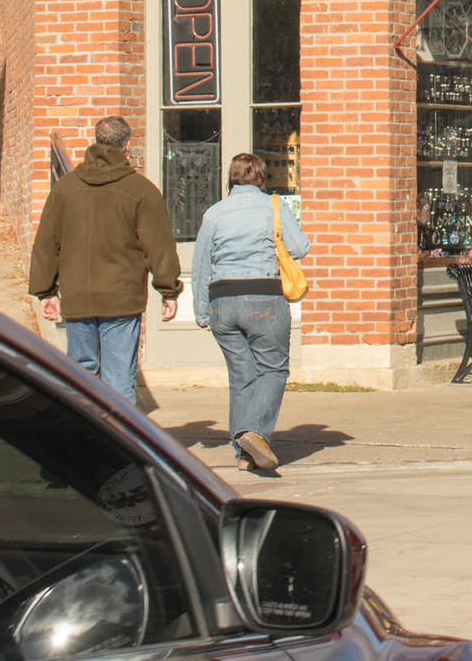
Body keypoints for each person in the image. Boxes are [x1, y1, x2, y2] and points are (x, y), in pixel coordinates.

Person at [26, 115, 181, 407]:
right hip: (121, 298)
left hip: (78, 296)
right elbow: (159, 246)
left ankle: (83, 443)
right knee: (119, 379)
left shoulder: (65, 189)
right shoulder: (141, 191)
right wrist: (168, 290)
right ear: (127, 145)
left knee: (81, 377)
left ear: (96, 140)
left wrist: (46, 291)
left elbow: (47, 243)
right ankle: (121, 442)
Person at [190, 152, 311, 476]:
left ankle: (243, 453)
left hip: (222, 302)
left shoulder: (214, 213)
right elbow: (300, 247)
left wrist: (201, 311)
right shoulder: (272, 206)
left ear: (231, 178)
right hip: (263, 298)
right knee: (273, 369)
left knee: (242, 376)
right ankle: (254, 433)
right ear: (261, 177)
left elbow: (201, 265)